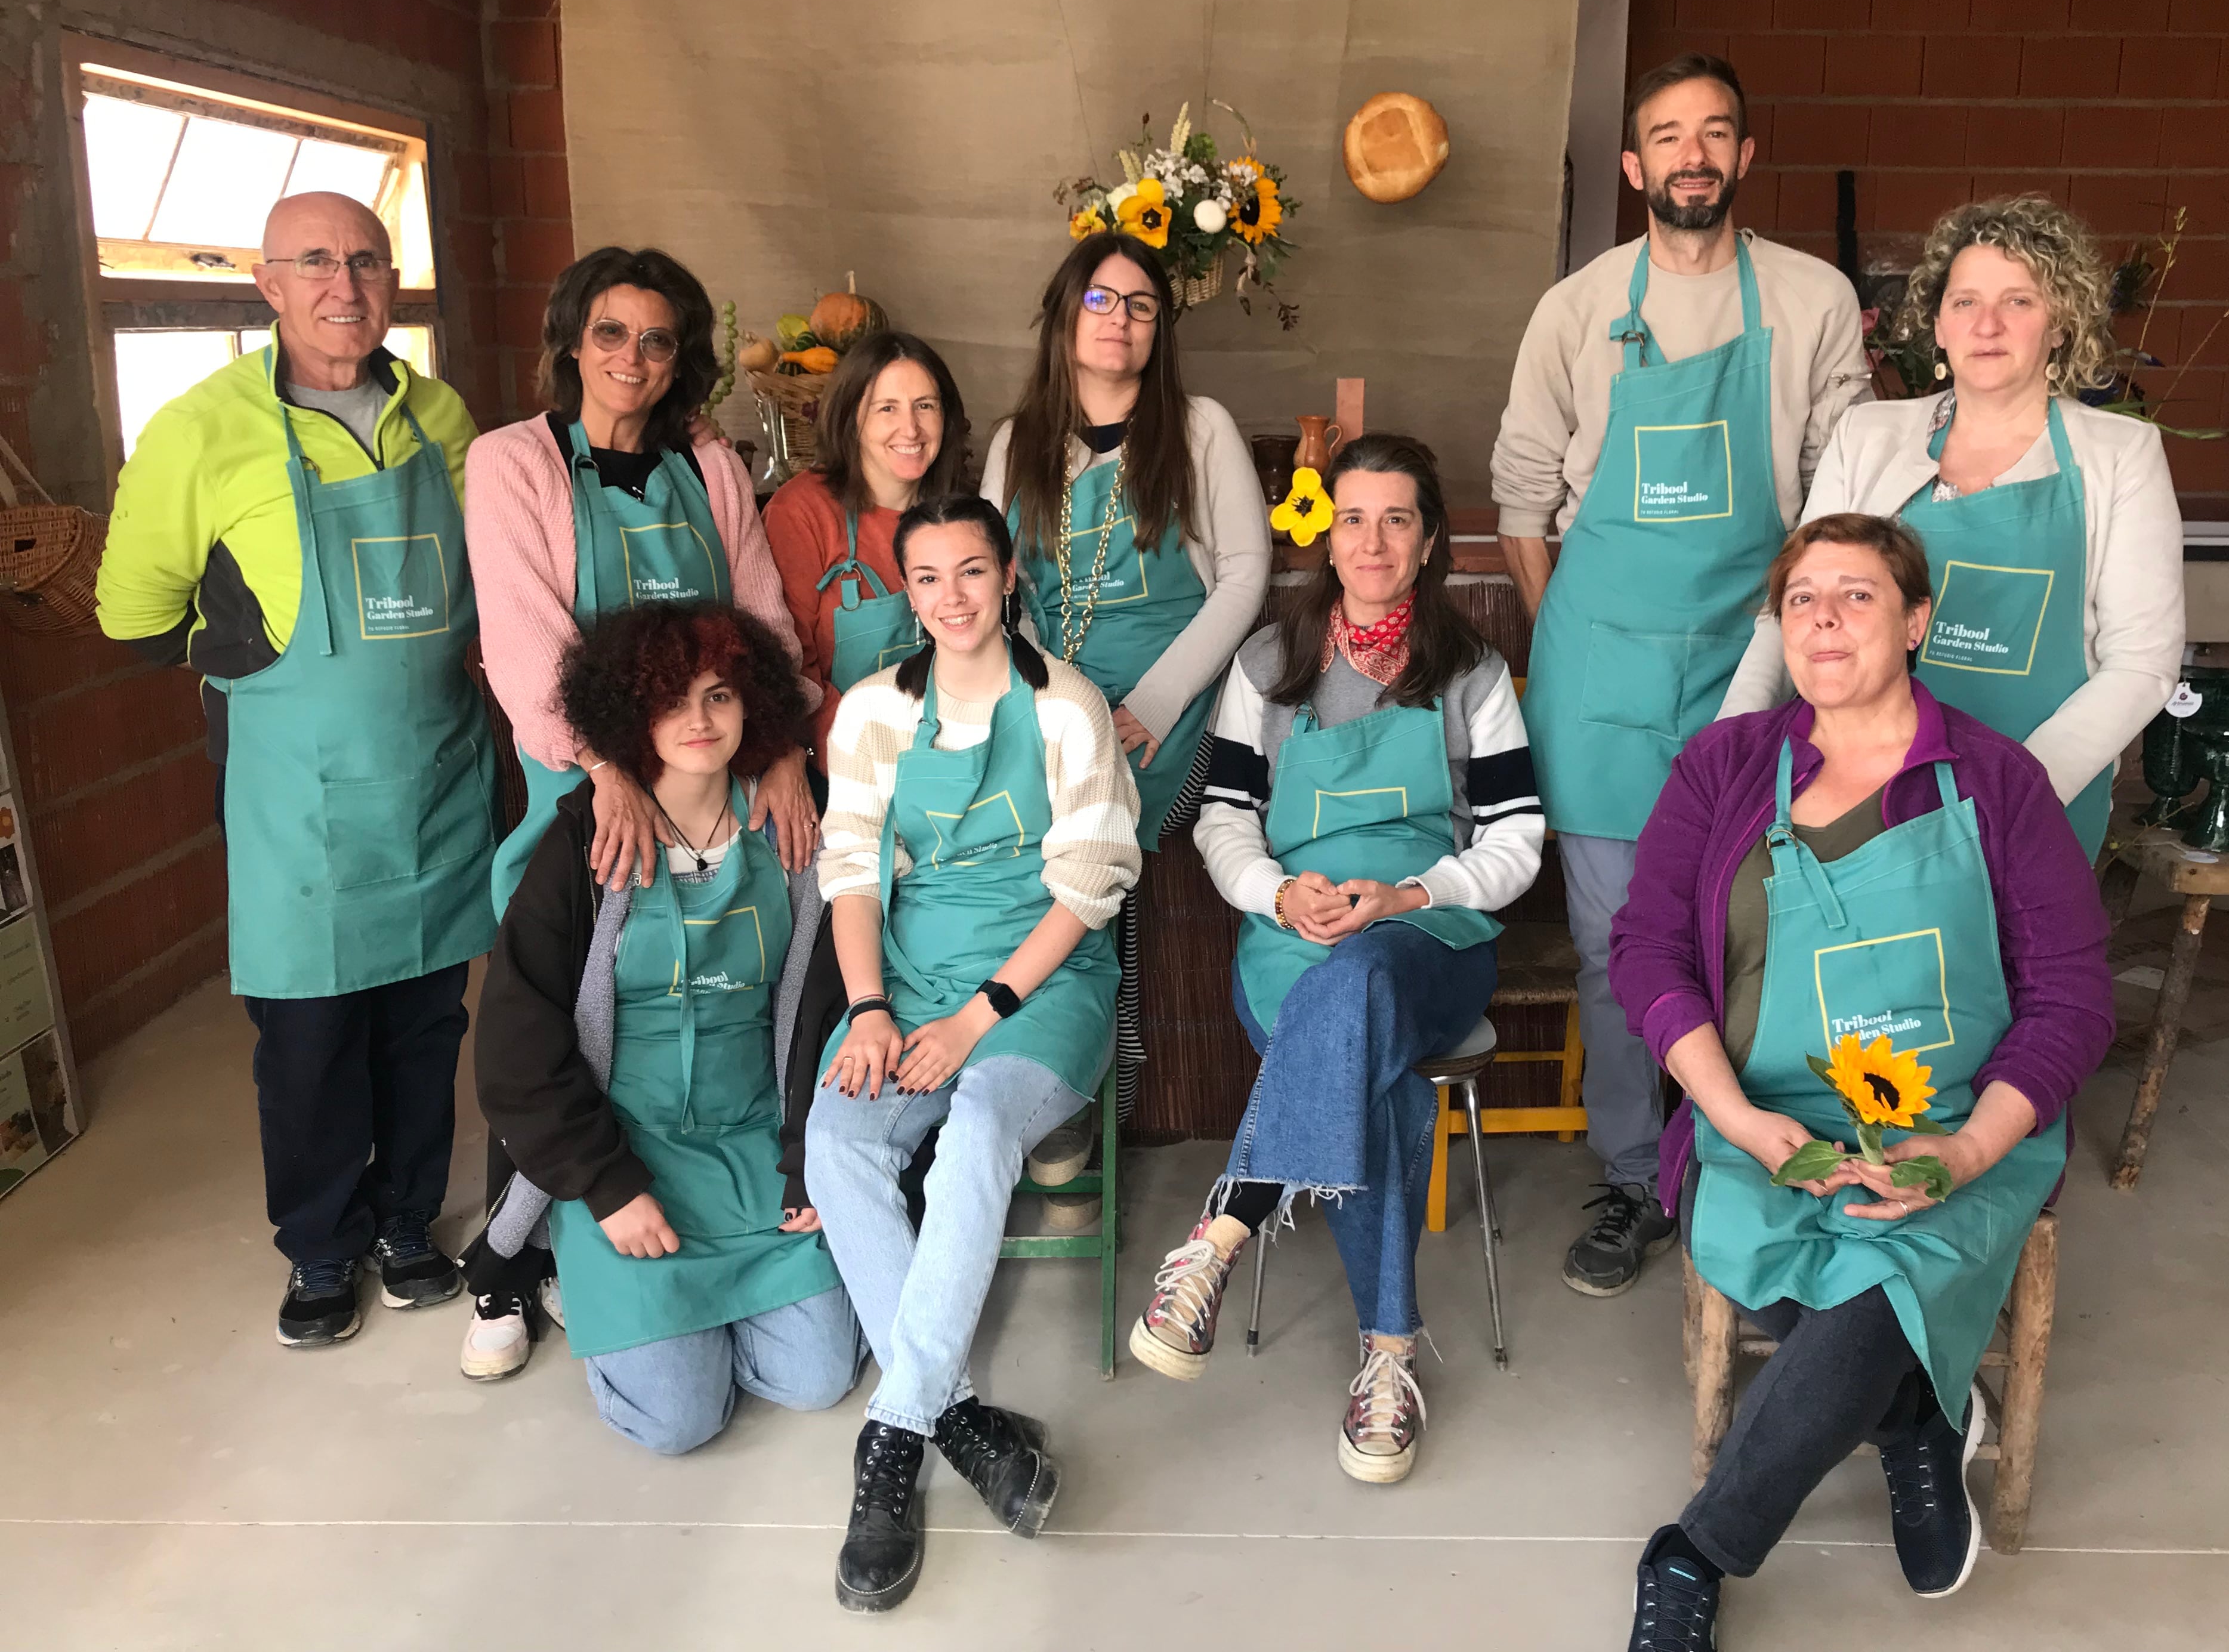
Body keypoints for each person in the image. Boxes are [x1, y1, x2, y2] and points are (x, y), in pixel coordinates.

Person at [1607, 513, 2111, 1649]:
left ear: (1917, 619)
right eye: (1801, 598)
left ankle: (1698, 1546)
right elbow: (1646, 951)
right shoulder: (1726, 766)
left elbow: (2073, 996)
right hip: (1763, 1117)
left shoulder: (1997, 781)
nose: (1824, 617)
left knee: (1880, 1269)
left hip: (1955, 1124)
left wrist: (1968, 1149)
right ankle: (1915, 1415)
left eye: (1857, 594)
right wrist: (1730, 1111)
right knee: (1834, 1287)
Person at [1492, 53, 1873, 1305]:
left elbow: (1842, 488)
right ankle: (1627, 1170)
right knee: (1614, 943)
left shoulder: (1812, 301)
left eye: (1716, 132)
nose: (1692, 154)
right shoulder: (1579, 305)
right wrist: (1576, 632)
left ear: (1744, 158)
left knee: (1760, 929)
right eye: (1668, 136)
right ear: (1633, 165)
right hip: (1600, 674)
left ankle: (1742, 1154)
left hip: (1761, 665)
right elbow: (1522, 495)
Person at [95, 192, 493, 1348]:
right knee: (312, 1037)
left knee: (425, 1019)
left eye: (368, 261)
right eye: (315, 261)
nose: (346, 286)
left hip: (433, 772)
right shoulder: (201, 430)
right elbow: (133, 611)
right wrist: (240, 642)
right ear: (267, 285)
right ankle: (322, 1247)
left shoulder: (442, 419)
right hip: (298, 793)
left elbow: (495, 570)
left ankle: (409, 1220)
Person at [1126, 435, 1543, 1483]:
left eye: (1396, 518)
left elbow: (1514, 841)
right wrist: (1277, 889)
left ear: (1429, 539)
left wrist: (1412, 893)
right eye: (1352, 517)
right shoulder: (1268, 665)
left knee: (1368, 983)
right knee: (1377, 1067)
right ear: (1327, 532)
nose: (1372, 540)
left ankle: (1223, 1233)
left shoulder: (1473, 673)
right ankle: (1388, 1356)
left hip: (1430, 938)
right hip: (1291, 935)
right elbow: (1222, 817)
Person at [459, 245, 820, 1379]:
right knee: (562, 995)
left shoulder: (708, 462)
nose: (632, 357)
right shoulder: (514, 462)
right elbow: (522, 629)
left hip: (718, 758)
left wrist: (780, 749)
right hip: (590, 781)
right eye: (610, 333)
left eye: (657, 339)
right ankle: (513, 1257)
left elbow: (760, 616)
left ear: (682, 359)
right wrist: (602, 764)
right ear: (572, 340)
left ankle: (717, 1197)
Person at [804, 493, 1140, 1613]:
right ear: (908, 590)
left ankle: (889, 1449)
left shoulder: (1067, 708)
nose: (952, 598)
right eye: (929, 577)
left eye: (973, 573)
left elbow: (1087, 889)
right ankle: (957, 1415)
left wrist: (975, 1019)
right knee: (836, 1141)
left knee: (980, 1127)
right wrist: (867, 1009)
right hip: (903, 982)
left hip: (1040, 988)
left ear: (1009, 579)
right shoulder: (868, 715)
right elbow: (851, 875)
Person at [470, 601, 863, 1452]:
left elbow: (838, 1012)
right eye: (671, 700)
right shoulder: (582, 840)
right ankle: (589, 1278)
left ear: (751, 706)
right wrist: (605, 1187)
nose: (698, 721)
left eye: (720, 696)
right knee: (681, 1421)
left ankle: (679, 1320)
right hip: (627, 1158)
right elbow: (514, 1043)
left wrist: (810, 1160)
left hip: (758, 1153)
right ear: (627, 712)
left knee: (820, 1376)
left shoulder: (800, 823)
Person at [1718, 196, 2184, 859]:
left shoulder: (2119, 456)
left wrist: (2019, 790)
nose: (1987, 325)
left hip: (2038, 795)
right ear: (1937, 324)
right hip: (1860, 794)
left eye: (2019, 302)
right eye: (1965, 302)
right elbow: (1794, 610)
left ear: (2060, 324)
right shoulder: (1868, 436)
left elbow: (2143, 662)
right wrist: (1730, 746)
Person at [980, 232, 1270, 1123]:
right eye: (1101, 301)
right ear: (1065, 318)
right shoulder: (1018, 440)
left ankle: (1098, 1086)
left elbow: (1244, 576)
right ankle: (1033, 1069)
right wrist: (1039, 694)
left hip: (1163, 710)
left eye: (1141, 306)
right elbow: (997, 584)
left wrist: (1150, 701)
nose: (1120, 321)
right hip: (1050, 698)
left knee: (1098, 843)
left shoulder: (1198, 427)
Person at [763, 330, 971, 768]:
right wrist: (868, 762)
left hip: (948, 756)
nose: (910, 429)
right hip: (842, 764)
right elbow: (788, 665)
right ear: (851, 417)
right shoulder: (802, 511)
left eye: (925, 406)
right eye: (887, 409)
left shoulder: (960, 516)